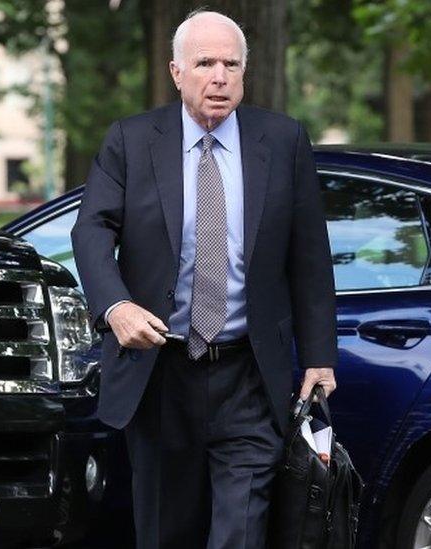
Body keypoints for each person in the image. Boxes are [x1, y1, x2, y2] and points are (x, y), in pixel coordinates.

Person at [71, 10, 337, 549]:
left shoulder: (282, 141)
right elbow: (90, 231)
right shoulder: (132, 140)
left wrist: (318, 356)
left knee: (240, 531)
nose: (219, 76)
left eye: (230, 64)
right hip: (161, 373)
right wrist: (115, 307)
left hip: (247, 375)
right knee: (166, 532)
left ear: (244, 73)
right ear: (176, 72)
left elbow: (309, 256)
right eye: (205, 63)